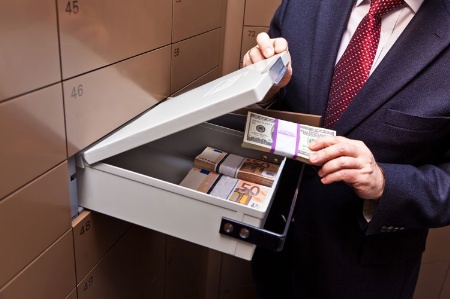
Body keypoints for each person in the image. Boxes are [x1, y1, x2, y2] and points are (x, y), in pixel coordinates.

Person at [243, 0, 450, 298]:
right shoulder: (303, 5)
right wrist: (266, 87)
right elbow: (274, 103)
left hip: (366, 271)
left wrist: (384, 183)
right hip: (276, 245)